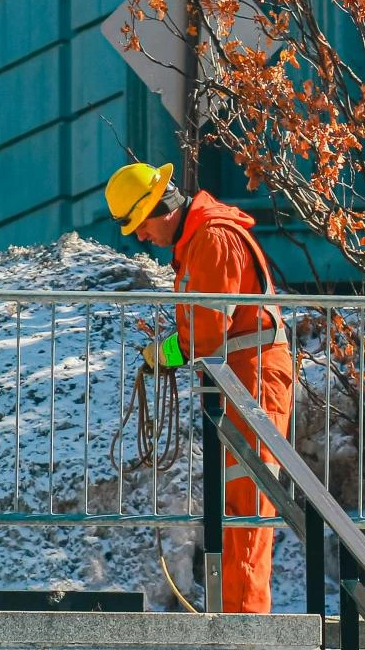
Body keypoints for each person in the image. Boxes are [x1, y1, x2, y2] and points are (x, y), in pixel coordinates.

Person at [105, 160, 294, 613]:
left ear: (160, 207)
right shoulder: (201, 240)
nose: (140, 238)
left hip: (254, 379)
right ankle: (235, 622)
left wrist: (168, 352)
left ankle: (245, 635)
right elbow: (204, 326)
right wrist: (171, 348)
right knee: (234, 510)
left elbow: (205, 332)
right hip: (240, 376)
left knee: (245, 513)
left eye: (140, 225)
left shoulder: (211, 238)